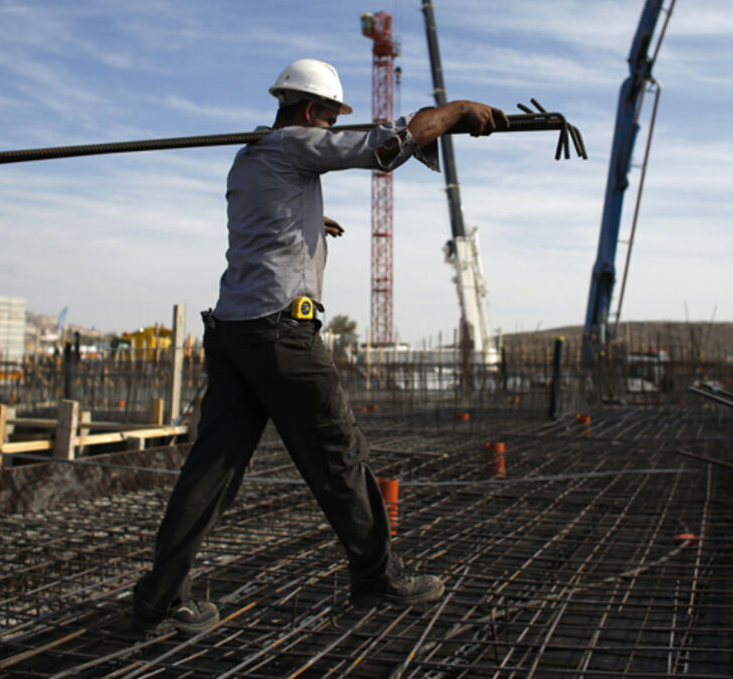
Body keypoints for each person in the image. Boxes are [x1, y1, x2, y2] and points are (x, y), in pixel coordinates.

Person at [131, 58, 507, 635]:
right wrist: (455, 111)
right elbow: (390, 145)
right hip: (282, 335)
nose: (330, 130)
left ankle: (161, 595)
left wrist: (310, 217)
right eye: (329, 119)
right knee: (338, 456)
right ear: (310, 113)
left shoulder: (251, 158)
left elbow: (268, 213)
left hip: (234, 332)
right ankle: (378, 576)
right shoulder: (296, 146)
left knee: (213, 466)